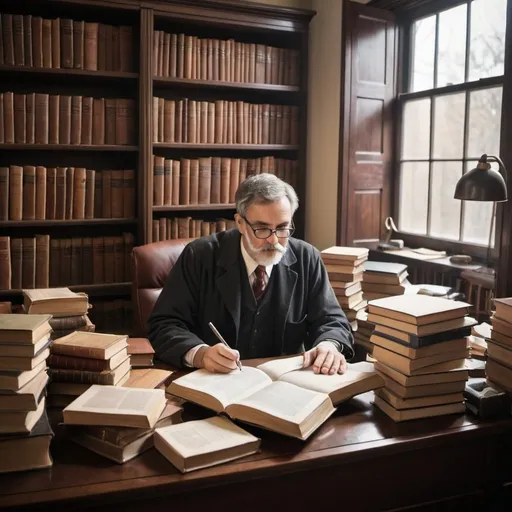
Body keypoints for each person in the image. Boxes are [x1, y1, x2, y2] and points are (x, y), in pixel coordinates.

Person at [147, 173, 354, 375]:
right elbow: (164, 324)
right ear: (240, 223)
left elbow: (332, 320)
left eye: (282, 228)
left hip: (285, 386)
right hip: (216, 383)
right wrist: (200, 354)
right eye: (262, 229)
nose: (273, 240)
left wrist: (330, 345)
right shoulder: (200, 256)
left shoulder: (307, 258)